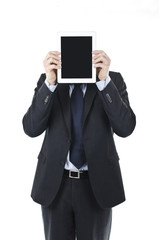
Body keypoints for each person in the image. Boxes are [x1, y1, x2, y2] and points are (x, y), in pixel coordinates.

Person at [22, 50, 136, 240]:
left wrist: (103, 82)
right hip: (55, 186)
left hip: (96, 186)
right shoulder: (49, 80)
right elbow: (31, 128)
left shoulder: (111, 80)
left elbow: (125, 128)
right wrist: (50, 84)